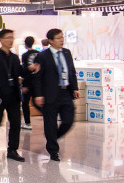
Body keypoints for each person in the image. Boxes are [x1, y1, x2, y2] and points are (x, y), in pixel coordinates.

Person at [31, 28, 80, 162]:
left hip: (65, 92)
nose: (62, 40)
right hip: (50, 94)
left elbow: (72, 72)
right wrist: (38, 95)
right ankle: (53, 151)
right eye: (58, 38)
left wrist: (75, 88)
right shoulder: (42, 56)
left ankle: (52, 137)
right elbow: (38, 78)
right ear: (51, 41)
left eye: (62, 37)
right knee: (50, 123)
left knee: (68, 120)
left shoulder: (67, 52)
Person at [0, 29, 25, 162]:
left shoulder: (14, 57)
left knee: (15, 123)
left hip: (13, 95)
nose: (11, 40)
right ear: (1, 40)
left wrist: (29, 70)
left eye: (12, 37)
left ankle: (12, 150)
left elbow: (19, 72)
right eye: (8, 37)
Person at [20, 36, 40, 131]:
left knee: (25, 103)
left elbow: (24, 71)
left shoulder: (24, 55)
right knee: (39, 102)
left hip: (28, 83)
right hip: (38, 83)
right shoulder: (39, 54)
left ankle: (28, 123)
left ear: (25, 44)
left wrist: (24, 84)